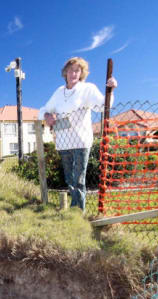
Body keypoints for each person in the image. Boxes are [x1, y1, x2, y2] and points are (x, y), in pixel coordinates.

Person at [39, 57, 117, 210]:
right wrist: (46, 116)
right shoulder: (59, 92)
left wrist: (111, 90)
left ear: (81, 73)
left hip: (81, 141)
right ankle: (74, 210)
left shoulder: (87, 89)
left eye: (77, 70)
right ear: (65, 72)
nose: (73, 73)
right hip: (63, 143)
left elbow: (102, 106)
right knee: (69, 179)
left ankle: (78, 212)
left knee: (79, 179)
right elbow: (44, 109)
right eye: (70, 70)